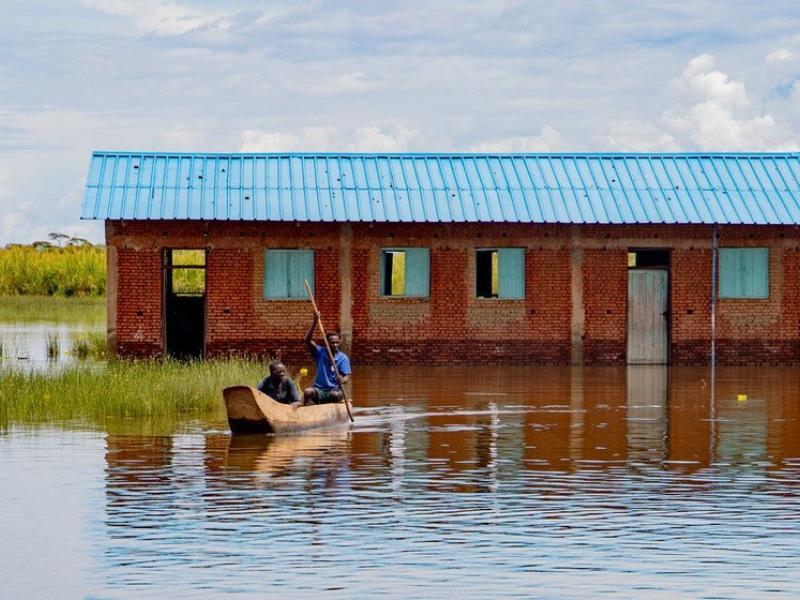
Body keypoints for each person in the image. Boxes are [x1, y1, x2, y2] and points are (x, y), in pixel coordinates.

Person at [303, 311, 351, 405]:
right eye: (332, 343)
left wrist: (342, 380)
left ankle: (329, 409)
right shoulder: (320, 352)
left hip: (334, 390)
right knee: (307, 392)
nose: (335, 345)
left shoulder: (343, 358)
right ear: (327, 343)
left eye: (337, 342)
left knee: (335, 395)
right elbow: (307, 340)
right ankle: (311, 412)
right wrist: (314, 322)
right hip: (319, 389)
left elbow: (347, 376)